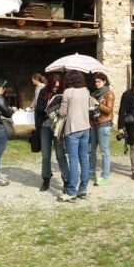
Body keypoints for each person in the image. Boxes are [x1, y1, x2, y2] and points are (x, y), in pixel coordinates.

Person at [56, 70, 90, 202]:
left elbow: (63, 112)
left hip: (73, 129)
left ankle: (71, 191)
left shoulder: (68, 92)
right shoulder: (85, 90)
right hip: (85, 127)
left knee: (73, 161)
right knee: (84, 159)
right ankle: (83, 189)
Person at [34, 73, 69, 192]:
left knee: (60, 154)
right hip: (45, 125)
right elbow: (38, 108)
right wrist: (49, 106)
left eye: (57, 86)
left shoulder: (63, 93)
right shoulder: (43, 92)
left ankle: (66, 180)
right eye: (54, 86)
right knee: (46, 154)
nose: (55, 88)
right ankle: (46, 178)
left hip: (58, 126)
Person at [89, 72, 114, 186]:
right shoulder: (94, 94)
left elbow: (109, 110)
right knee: (91, 151)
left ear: (104, 81)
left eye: (99, 81)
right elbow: (91, 109)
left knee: (104, 152)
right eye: (95, 82)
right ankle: (91, 173)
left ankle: (104, 176)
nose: (97, 83)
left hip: (104, 124)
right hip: (94, 123)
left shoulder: (109, 94)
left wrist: (97, 104)